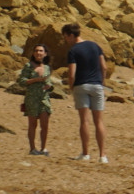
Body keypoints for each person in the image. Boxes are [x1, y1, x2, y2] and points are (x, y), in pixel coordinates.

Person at [61, 24, 109, 163]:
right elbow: (104, 67)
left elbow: (71, 74)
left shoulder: (73, 51)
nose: (66, 40)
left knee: (84, 121)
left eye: (66, 37)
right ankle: (102, 155)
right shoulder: (95, 46)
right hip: (97, 86)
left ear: (71, 35)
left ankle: (86, 153)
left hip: (81, 86)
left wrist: (71, 87)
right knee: (99, 121)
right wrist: (102, 82)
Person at [17, 43, 55, 155]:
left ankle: (43, 148)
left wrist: (50, 86)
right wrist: (35, 80)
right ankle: (32, 148)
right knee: (32, 124)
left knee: (45, 124)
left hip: (44, 98)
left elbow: (49, 82)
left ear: (45, 53)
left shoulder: (47, 67)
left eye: (41, 51)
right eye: (36, 51)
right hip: (32, 98)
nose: (38, 53)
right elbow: (21, 81)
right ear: (33, 53)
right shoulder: (28, 66)